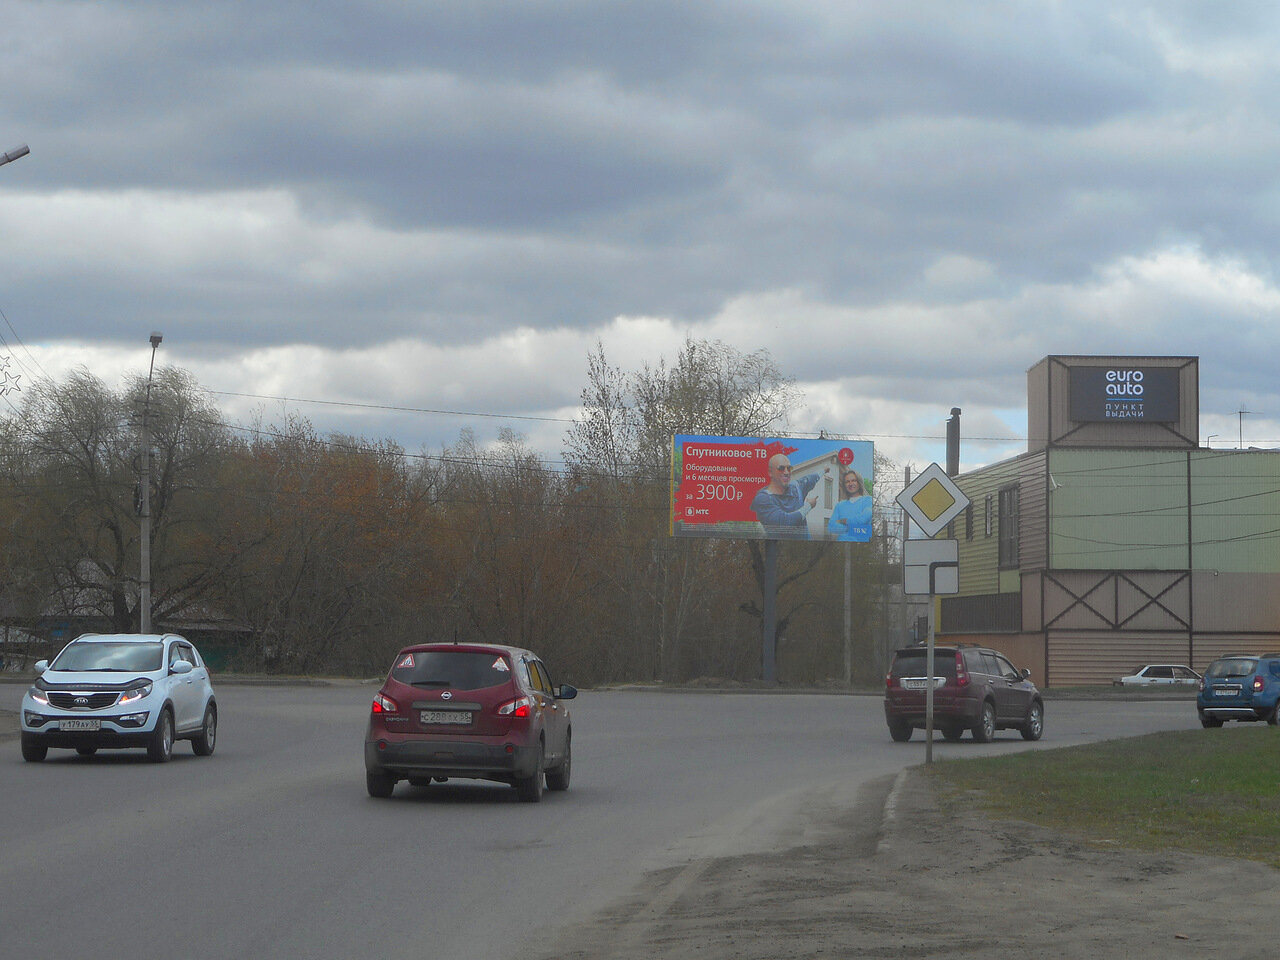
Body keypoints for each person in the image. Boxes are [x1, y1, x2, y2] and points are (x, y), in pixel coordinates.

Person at [749, 454, 829, 539]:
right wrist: (808, 506)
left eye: (789, 468)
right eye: (781, 468)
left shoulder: (796, 487)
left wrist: (824, 470)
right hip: (780, 549)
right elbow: (786, 522)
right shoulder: (762, 499)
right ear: (770, 472)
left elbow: (810, 479)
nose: (786, 472)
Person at [827, 468, 873, 542]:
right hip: (841, 546)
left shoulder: (868, 500)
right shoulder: (840, 505)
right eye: (847, 482)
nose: (850, 484)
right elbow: (831, 527)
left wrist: (844, 521)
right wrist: (857, 529)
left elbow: (863, 519)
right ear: (844, 485)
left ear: (859, 482)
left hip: (861, 548)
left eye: (853, 480)